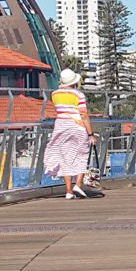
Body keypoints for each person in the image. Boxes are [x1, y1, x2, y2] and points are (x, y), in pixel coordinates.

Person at [43, 68, 98, 199]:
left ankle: (68, 191)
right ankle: (78, 185)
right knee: (81, 155)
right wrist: (90, 134)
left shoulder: (54, 94)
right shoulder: (78, 95)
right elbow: (83, 115)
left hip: (61, 126)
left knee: (64, 157)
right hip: (77, 126)